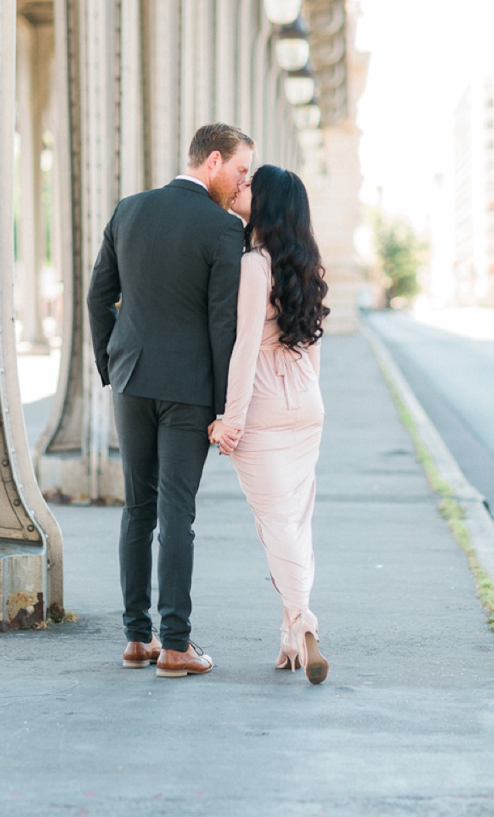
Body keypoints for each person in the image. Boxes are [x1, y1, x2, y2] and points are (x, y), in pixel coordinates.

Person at [88, 123, 254, 677]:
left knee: (138, 508)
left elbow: (97, 295)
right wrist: (227, 405)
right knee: (176, 515)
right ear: (212, 161)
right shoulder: (224, 229)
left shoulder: (129, 210)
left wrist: (110, 364)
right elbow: (221, 324)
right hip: (188, 392)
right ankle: (177, 644)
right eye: (239, 170)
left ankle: (138, 639)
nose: (241, 183)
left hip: (131, 380)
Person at [209, 164, 330, 684]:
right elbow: (314, 345)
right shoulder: (306, 261)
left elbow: (243, 348)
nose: (243, 188)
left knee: (275, 521)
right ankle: (290, 636)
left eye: (252, 184)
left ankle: (305, 623)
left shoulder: (254, 265)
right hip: (306, 404)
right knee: (293, 521)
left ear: (269, 203)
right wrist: (312, 398)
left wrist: (230, 419)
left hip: (263, 406)